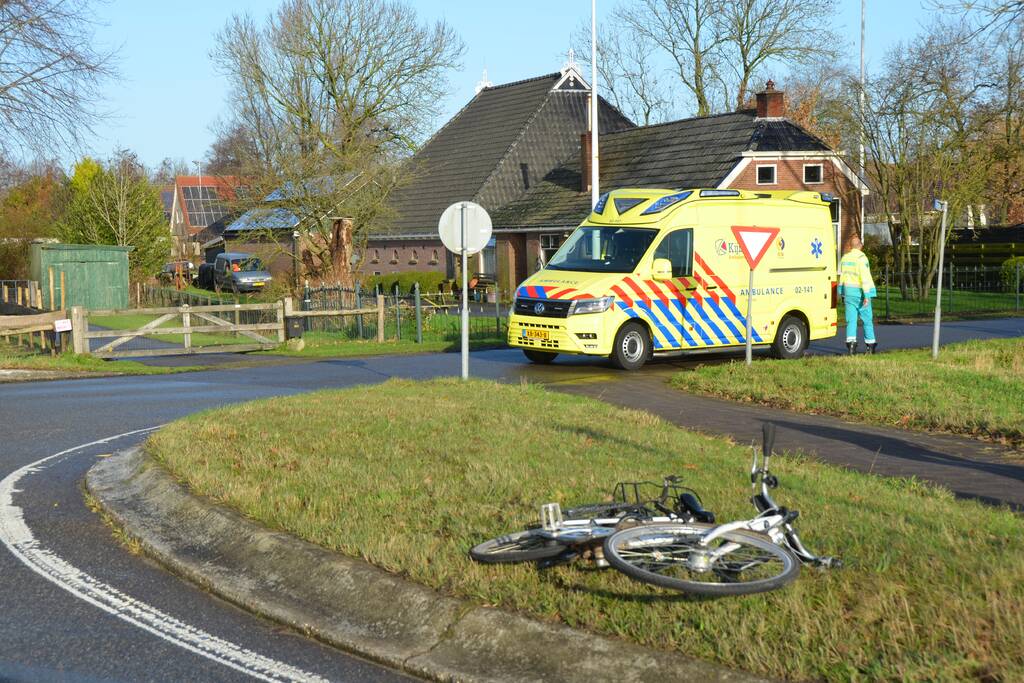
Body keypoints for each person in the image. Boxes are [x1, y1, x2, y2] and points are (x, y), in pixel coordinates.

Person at [838, 235, 877, 354]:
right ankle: (870, 346)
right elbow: (864, 277)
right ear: (860, 245)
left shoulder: (845, 258)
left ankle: (851, 346)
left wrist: (841, 292)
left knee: (851, 320)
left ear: (850, 246)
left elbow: (842, 276)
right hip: (860, 293)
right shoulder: (862, 258)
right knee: (867, 319)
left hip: (849, 293)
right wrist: (866, 295)